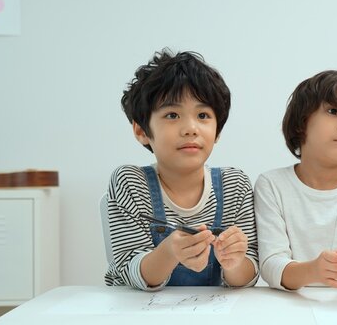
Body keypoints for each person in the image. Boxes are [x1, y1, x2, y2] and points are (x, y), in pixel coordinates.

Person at [104, 49, 258, 290]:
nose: (190, 128)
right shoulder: (130, 182)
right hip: (137, 317)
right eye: (172, 114)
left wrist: (234, 261)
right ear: (141, 131)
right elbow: (127, 271)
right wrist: (169, 252)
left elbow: (248, 275)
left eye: (203, 115)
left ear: (217, 131)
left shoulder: (234, 184)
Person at [255, 70, 337, 291]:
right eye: (334, 111)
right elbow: (271, 265)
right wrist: (313, 271)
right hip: (288, 309)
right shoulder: (272, 185)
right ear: (302, 121)